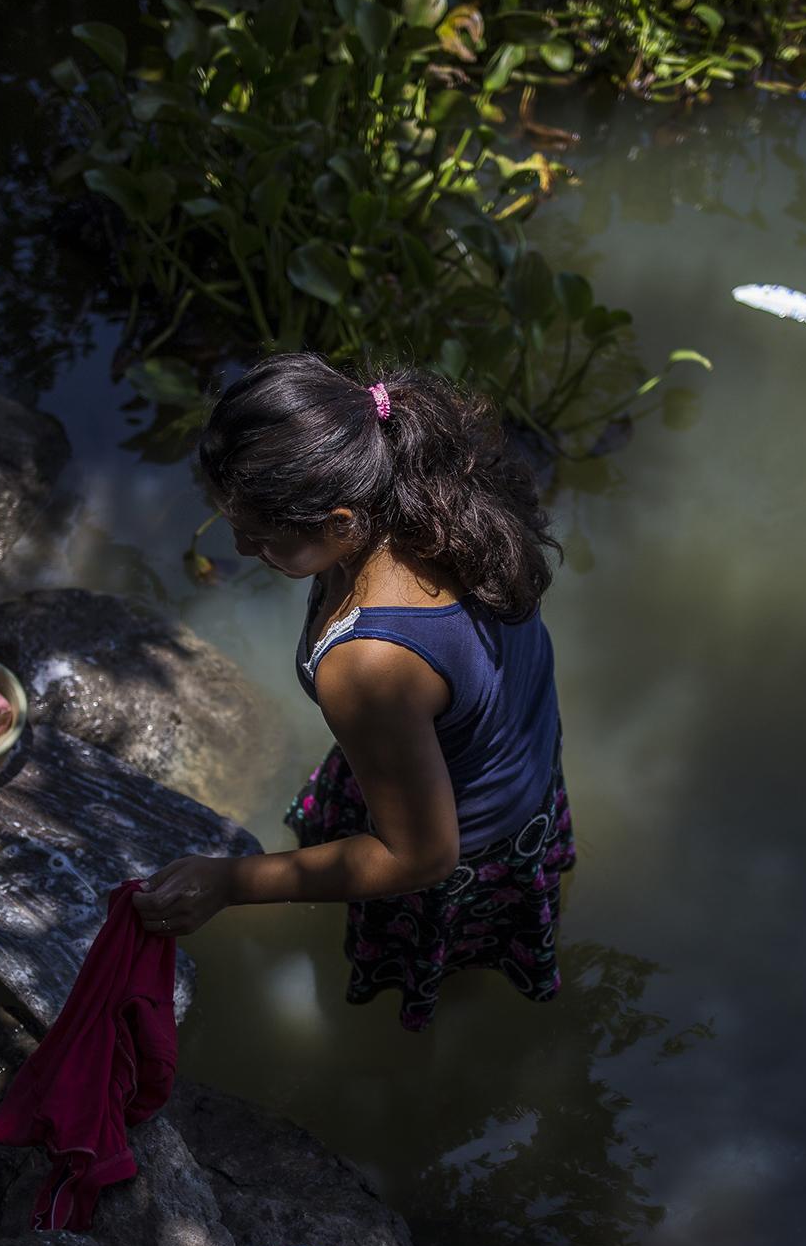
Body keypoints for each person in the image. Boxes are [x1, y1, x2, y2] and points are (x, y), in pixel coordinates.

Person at [129, 351, 577, 1031]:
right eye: (231, 517)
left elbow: (421, 855)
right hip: (522, 766)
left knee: (448, 982)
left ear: (341, 522)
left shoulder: (367, 664)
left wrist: (228, 883)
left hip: (461, 840)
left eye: (261, 534)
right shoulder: (429, 481)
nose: (242, 545)